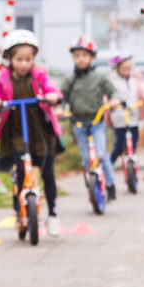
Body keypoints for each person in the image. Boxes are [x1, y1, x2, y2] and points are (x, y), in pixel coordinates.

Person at [0, 29, 65, 235]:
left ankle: (53, 214)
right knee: (21, 171)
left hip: (40, 130)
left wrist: (52, 96)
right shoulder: (3, 79)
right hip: (16, 131)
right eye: (19, 59)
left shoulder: (40, 75)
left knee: (47, 172)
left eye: (28, 59)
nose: (23, 64)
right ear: (9, 59)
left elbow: (52, 90)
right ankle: (19, 211)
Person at [60, 36, 119, 201]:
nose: (80, 59)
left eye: (84, 56)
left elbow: (112, 91)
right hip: (78, 122)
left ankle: (110, 185)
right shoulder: (70, 79)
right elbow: (61, 97)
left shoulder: (99, 77)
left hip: (96, 122)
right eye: (77, 56)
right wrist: (59, 108)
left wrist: (114, 99)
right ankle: (90, 181)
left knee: (101, 154)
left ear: (92, 57)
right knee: (86, 157)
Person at [106, 52, 144, 165]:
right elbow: (107, 94)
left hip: (133, 115)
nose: (127, 71)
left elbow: (143, 88)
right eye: (124, 68)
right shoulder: (112, 81)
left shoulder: (135, 79)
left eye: (129, 68)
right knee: (119, 145)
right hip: (119, 118)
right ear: (117, 68)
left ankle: (132, 173)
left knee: (134, 143)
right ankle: (109, 167)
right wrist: (111, 103)